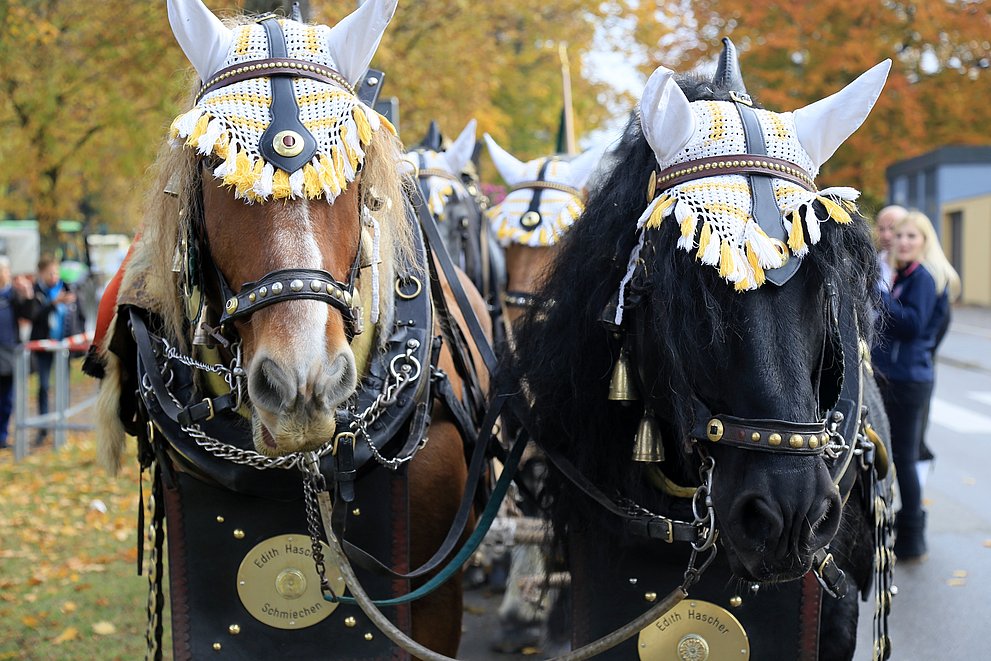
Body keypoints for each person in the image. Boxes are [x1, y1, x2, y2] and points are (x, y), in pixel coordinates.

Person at [871, 210, 956, 561]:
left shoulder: (922, 277)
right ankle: (899, 530)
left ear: (924, 241)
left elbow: (912, 325)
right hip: (896, 376)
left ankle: (911, 538)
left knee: (904, 459)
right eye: (899, 235)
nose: (902, 242)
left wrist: (879, 294)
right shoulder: (906, 274)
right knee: (893, 456)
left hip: (907, 382)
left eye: (911, 236)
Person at [14, 255, 86, 446]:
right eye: (49, 273)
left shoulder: (69, 288)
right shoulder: (36, 292)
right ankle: (43, 428)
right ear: (41, 273)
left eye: (56, 272)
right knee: (44, 386)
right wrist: (54, 303)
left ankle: (62, 425)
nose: (54, 276)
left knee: (63, 386)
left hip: (65, 347)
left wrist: (80, 338)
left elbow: (80, 315)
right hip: (44, 347)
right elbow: (32, 315)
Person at [0, 257, 20, 449]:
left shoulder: (13, 295)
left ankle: (2, 436)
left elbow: (29, 313)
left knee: (7, 399)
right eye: (5, 270)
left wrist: (27, 295)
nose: (7, 273)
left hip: (8, 353)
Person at [874, 205, 905, 290]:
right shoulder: (874, 263)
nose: (886, 236)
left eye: (892, 228)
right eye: (881, 229)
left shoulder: (919, 269)